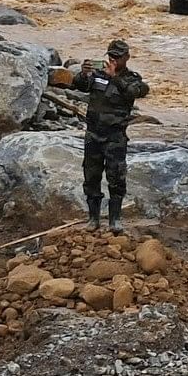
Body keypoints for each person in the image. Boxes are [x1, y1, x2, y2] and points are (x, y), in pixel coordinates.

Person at [53, 38, 150, 231]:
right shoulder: (98, 75)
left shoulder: (132, 78)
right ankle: (93, 219)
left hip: (115, 137)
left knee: (116, 178)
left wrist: (115, 77)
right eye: (111, 56)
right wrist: (83, 73)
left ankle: (115, 220)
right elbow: (80, 85)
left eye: (117, 57)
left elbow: (136, 92)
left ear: (126, 58)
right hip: (94, 134)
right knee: (91, 177)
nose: (113, 60)